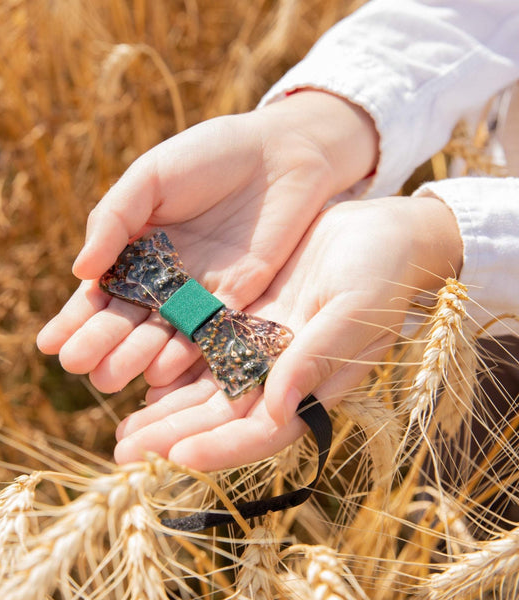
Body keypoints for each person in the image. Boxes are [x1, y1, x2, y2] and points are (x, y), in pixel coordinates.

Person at [37, 0, 519, 471]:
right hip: (478, 336)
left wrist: (450, 234)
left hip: (481, 303)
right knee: (455, 468)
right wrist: (312, 132)